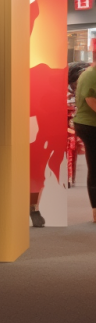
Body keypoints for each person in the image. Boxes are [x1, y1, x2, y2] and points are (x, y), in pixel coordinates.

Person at [73, 58, 96, 223]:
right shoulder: (91, 75)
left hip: (88, 124)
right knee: (94, 166)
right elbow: (91, 101)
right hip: (90, 125)